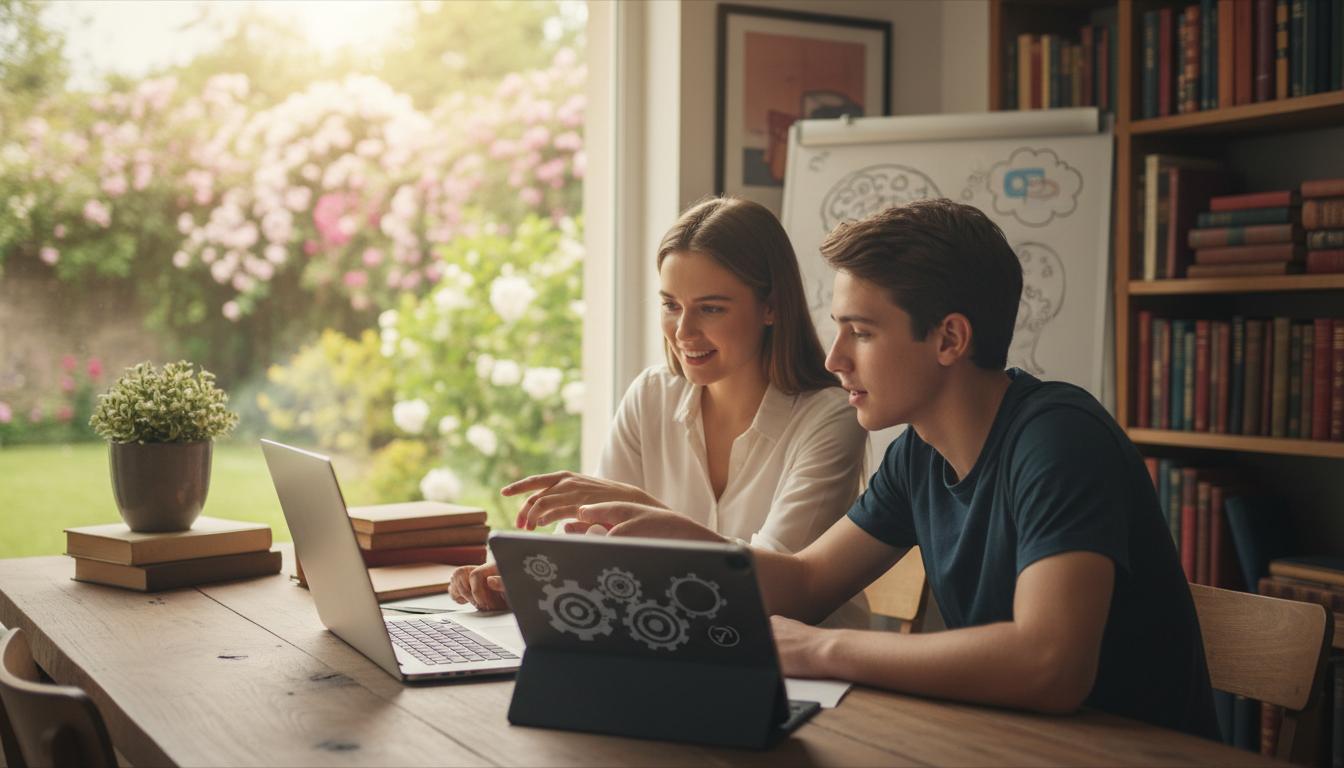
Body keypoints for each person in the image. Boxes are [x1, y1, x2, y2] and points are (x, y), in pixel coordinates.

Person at [565, 199, 1220, 738]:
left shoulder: (1058, 440)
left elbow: (1050, 665)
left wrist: (821, 649)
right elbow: (806, 582)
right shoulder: (918, 454)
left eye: (862, 332)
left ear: (949, 339)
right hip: (1018, 743)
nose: (835, 360)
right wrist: (676, 541)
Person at [450, 196, 870, 627]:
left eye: (711, 308)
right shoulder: (652, 394)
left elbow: (773, 591)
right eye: (671, 305)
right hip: (673, 644)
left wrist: (647, 513)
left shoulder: (830, 417)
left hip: (798, 658)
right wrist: (524, 580)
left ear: (771, 306)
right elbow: (594, 545)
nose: (683, 331)